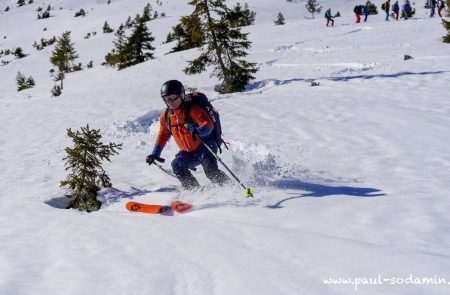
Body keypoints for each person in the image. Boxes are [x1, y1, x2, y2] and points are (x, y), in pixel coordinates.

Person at [146, 80, 230, 190]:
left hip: (205, 146)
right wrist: (155, 154)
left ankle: (231, 187)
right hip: (188, 152)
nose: (171, 102)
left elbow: (208, 125)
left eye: (173, 98)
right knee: (177, 165)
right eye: (167, 99)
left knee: (211, 171)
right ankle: (195, 190)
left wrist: (197, 130)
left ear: (181, 95)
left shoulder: (192, 109)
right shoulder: (166, 116)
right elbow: (163, 134)